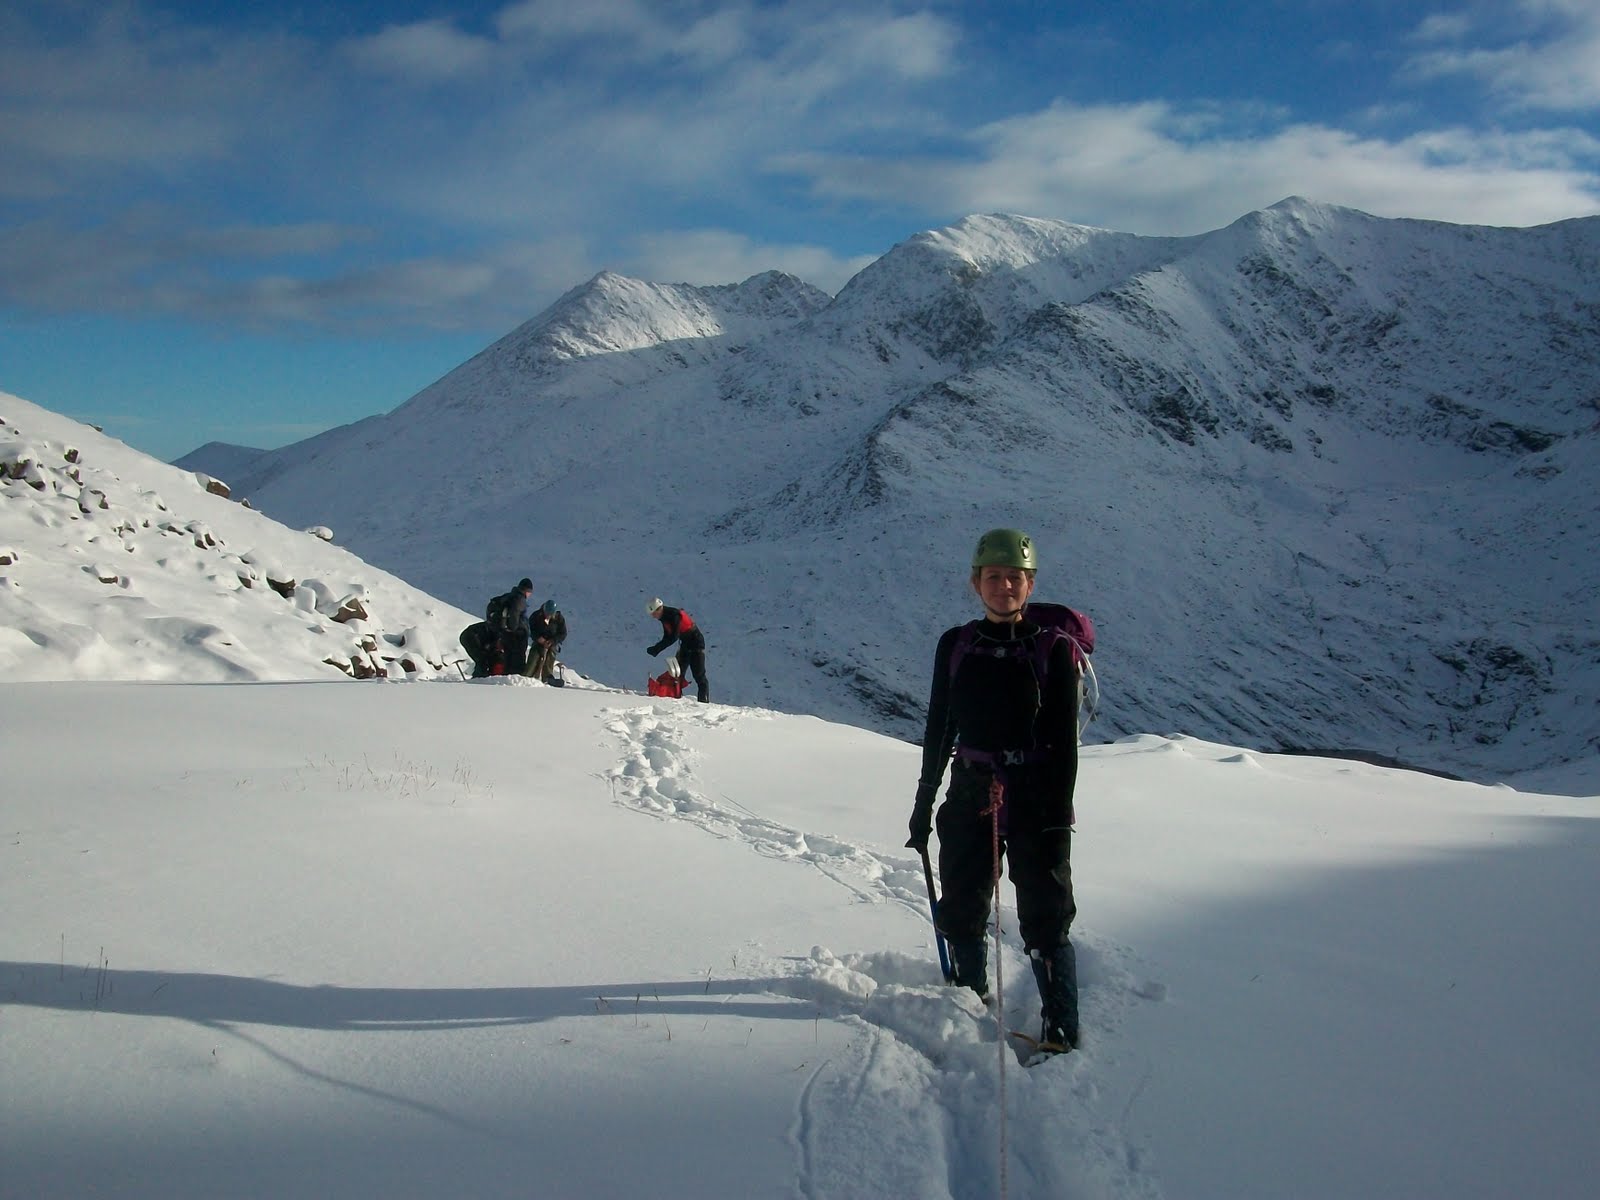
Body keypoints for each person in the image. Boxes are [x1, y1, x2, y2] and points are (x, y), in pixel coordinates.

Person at [906, 528, 1081, 1052]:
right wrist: (923, 802)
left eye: (1014, 578)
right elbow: (940, 727)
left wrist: (1057, 817)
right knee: (962, 901)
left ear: (1030, 585)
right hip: (969, 789)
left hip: (1036, 793)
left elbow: (1065, 743)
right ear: (975, 583)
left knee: (1047, 912)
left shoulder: (1054, 650)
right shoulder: (956, 645)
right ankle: (968, 998)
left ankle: (1062, 1030)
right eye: (993, 577)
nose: (1004, 586)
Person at [646, 597, 709, 702]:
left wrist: (657, 648)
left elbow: (674, 636)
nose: (653, 617)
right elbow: (667, 636)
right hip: (685, 644)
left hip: (697, 644)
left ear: (659, 609)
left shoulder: (674, 615)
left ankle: (704, 703)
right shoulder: (664, 618)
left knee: (699, 675)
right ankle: (676, 700)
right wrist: (656, 649)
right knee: (677, 675)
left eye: (653, 613)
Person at [487, 578, 535, 676]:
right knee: (518, 659)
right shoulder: (520, 599)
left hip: (505, 633)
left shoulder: (509, 596)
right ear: (527, 591)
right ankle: (516, 679)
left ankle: (507, 677)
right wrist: (514, 628)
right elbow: (515, 613)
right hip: (517, 635)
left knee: (508, 657)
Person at [524, 599, 568, 682]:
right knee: (533, 659)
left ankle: (547, 678)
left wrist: (553, 641)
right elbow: (530, 629)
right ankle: (527, 677)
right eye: (547, 614)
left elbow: (563, 633)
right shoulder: (536, 616)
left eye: (550, 615)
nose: (548, 616)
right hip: (538, 643)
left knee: (550, 658)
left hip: (551, 644)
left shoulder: (559, 618)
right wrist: (538, 638)